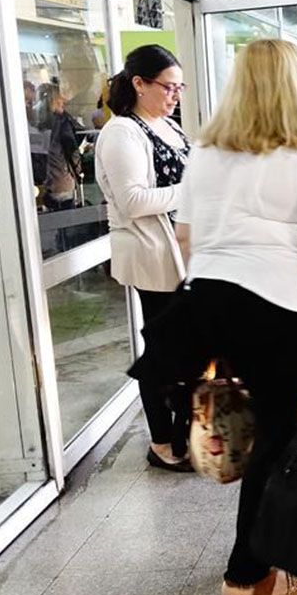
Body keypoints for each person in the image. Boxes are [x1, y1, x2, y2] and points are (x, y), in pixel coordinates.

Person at [133, 39, 297, 595]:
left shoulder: (207, 151)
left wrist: (222, 287)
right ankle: (250, 574)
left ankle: (269, 556)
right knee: (286, 441)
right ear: (295, 85)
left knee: (267, 436)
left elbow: (186, 236)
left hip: (210, 305)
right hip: (282, 310)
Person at [94, 44, 192, 472]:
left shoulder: (168, 126)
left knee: (186, 350)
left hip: (183, 252)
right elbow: (133, 200)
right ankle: (162, 441)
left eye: (179, 87)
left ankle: (187, 434)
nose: (176, 96)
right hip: (153, 255)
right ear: (139, 84)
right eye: (168, 87)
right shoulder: (121, 133)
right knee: (163, 352)